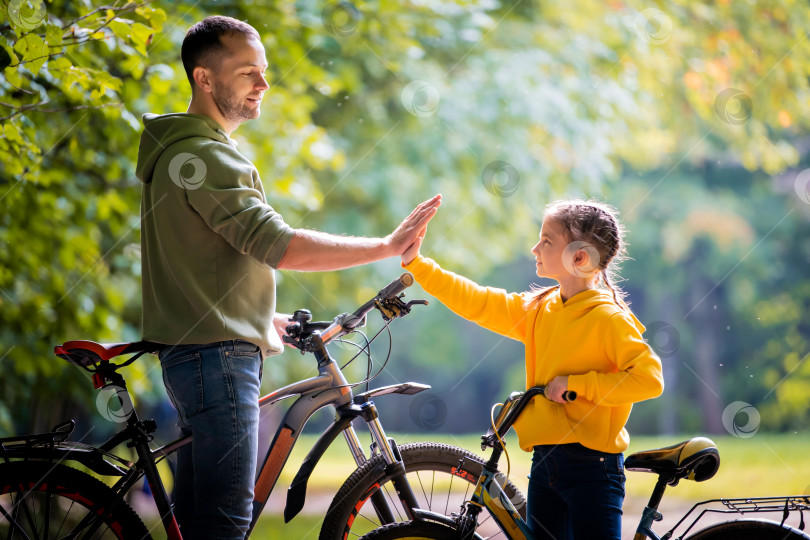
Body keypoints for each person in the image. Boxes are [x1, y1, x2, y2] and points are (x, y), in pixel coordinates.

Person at [134, 15, 441, 539]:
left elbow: (195, 267)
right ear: (204, 79)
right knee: (225, 524)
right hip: (218, 362)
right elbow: (277, 245)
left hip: (198, 357)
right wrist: (386, 247)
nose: (264, 84)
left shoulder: (182, 152)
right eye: (248, 71)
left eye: (265, 71)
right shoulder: (204, 157)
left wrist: (260, 316)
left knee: (198, 523)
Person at [401, 199, 664, 540]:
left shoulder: (608, 318)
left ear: (579, 258)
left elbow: (649, 379)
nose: (535, 247)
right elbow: (478, 301)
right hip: (545, 464)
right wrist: (417, 265)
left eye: (547, 241)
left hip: (593, 470)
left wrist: (577, 385)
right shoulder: (540, 309)